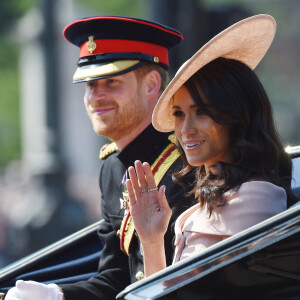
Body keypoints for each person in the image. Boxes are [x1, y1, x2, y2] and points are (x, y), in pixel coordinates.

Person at [4, 16, 195, 300]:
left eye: (111, 82)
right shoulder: (112, 167)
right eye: (89, 85)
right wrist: (57, 295)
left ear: (152, 84)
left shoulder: (190, 161)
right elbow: (115, 278)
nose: (95, 97)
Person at [125, 14, 299, 277]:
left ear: (237, 116)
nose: (186, 129)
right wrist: (151, 240)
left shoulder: (256, 199)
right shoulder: (211, 201)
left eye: (202, 112)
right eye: (179, 114)